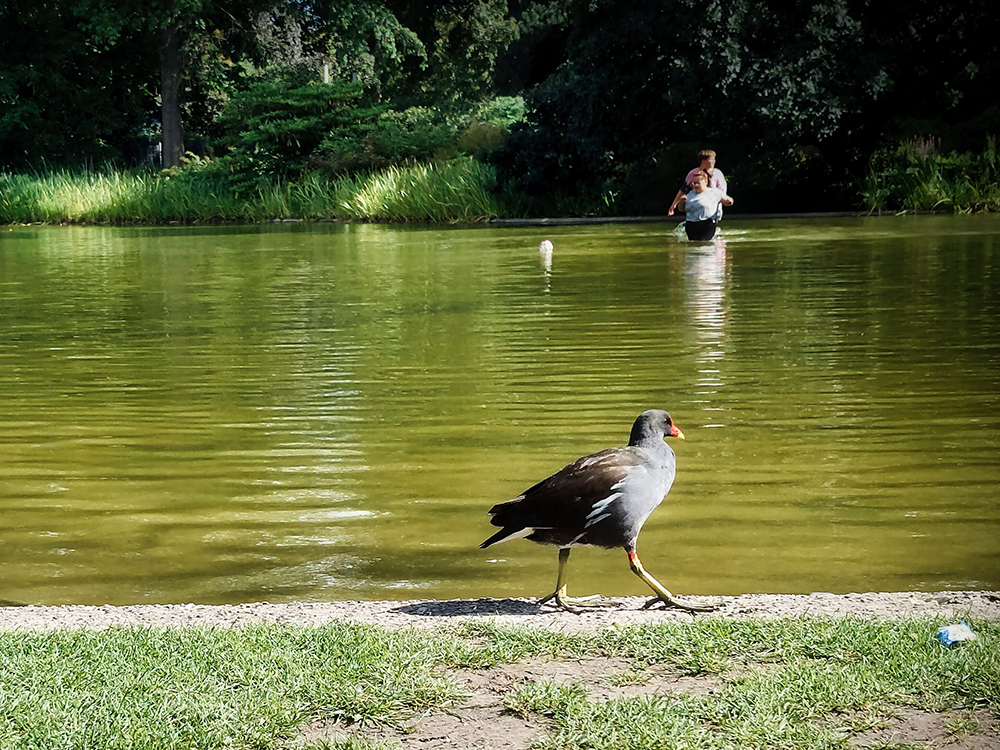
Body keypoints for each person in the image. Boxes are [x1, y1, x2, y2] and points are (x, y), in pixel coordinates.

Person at [668, 149, 727, 216]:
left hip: (712, 210)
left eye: (714, 159)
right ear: (703, 161)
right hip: (695, 209)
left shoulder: (717, 174)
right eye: (711, 160)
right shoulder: (693, 173)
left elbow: (722, 192)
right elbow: (683, 190)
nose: (714, 161)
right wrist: (674, 205)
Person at [683, 169, 733, 241]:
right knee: (693, 247)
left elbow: (728, 201)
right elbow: (681, 209)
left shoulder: (715, 192)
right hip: (691, 224)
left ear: (705, 181)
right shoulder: (690, 194)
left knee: (704, 245)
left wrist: (729, 201)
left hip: (707, 224)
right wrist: (682, 202)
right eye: (693, 183)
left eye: (698, 183)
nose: (695, 185)